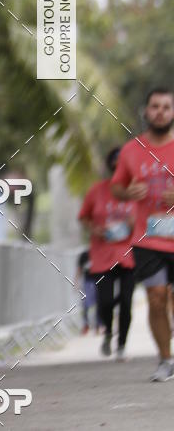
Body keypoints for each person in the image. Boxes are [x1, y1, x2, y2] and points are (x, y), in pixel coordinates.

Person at [112, 87, 174, 382]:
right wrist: (128, 191)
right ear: (147, 112)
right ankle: (165, 359)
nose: (160, 111)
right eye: (155, 106)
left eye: (166, 107)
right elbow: (116, 187)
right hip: (147, 239)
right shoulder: (131, 150)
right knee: (156, 298)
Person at [78, 147, 136, 360]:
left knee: (127, 302)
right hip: (102, 254)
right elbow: (84, 216)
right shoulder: (96, 191)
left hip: (129, 254)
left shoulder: (136, 193)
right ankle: (108, 333)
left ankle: (121, 345)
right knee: (105, 301)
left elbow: (151, 219)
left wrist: (135, 224)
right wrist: (95, 229)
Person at [76, 249, 99, 335]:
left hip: (99, 281)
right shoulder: (84, 255)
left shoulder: (99, 253)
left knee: (99, 303)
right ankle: (86, 324)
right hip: (87, 282)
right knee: (86, 304)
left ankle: (98, 325)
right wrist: (76, 282)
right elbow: (79, 269)